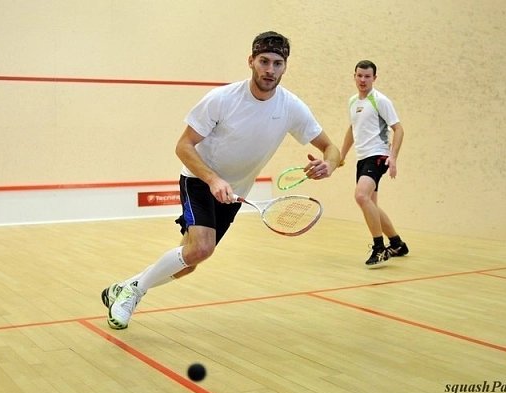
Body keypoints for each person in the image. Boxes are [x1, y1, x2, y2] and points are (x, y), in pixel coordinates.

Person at [102, 31, 341, 329]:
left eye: (277, 63)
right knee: (202, 248)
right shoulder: (222, 99)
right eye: (264, 61)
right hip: (200, 179)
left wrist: (328, 164)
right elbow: (183, 146)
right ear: (251, 61)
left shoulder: (291, 107)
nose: (270, 69)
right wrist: (213, 179)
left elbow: (331, 149)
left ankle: (125, 286)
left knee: (189, 261)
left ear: (285, 67)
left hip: (236, 192)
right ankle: (134, 292)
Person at [339, 60, 408, 268]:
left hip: (378, 155)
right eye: (359, 75)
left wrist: (393, 157)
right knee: (371, 205)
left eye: (367, 76)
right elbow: (352, 129)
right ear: (354, 76)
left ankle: (380, 249)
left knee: (361, 196)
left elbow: (399, 129)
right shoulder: (353, 102)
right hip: (362, 158)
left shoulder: (380, 101)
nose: (363, 80)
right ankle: (397, 243)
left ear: (374, 78)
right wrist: (341, 155)